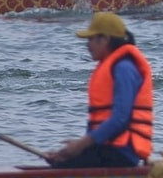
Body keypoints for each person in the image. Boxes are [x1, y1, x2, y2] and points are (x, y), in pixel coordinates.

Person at [47, 12, 154, 169]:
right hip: (109, 148)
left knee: (62, 167)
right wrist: (73, 151)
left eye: (91, 39)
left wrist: (81, 145)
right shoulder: (111, 65)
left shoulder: (124, 68)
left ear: (104, 39)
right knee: (61, 161)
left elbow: (120, 119)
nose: (87, 45)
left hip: (122, 152)